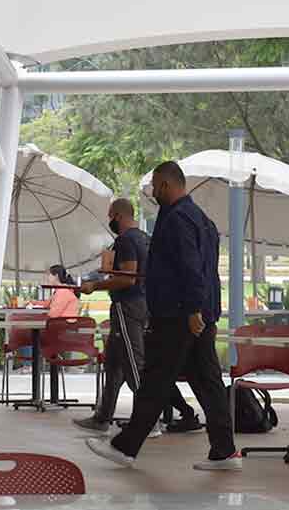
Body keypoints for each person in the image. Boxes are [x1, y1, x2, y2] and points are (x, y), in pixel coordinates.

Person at [86, 161, 238, 471]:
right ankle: (224, 451)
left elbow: (192, 267)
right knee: (207, 381)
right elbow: (209, 271)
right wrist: (204, 310)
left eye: (156, 186)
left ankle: (125, 447)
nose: (153, 192)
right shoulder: (202, 220)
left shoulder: (177, 220)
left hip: (179, 315)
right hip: (199, 314)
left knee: (156, 377)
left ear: (167, 185)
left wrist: (193, 309)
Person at [73, 198, 201, 437]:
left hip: (127, 306)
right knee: (113, 364)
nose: (110, 220)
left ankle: (147, 421)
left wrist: (95, 286)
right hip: (143, 304)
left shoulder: (126, 240)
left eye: (111, 216)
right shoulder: (143, 238)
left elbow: (127, 278)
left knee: (134, 364)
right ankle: (102, 417)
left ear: (118, 216)